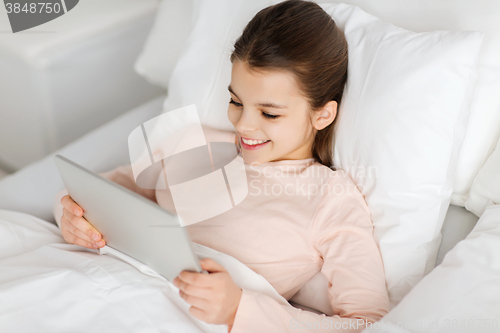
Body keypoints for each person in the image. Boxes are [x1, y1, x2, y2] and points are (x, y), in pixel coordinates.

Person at [53, 1, 390, 332]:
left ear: (323, 115)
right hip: (98, 286)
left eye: (269, 113)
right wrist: (69, 216)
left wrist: (239, 310)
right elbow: (97, 192)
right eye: (236, 101)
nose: (243, 124)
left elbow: (368, 321)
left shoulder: (329, 198)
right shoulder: (192, 143)